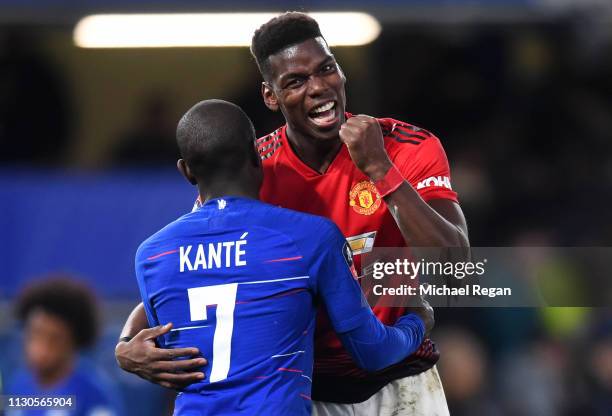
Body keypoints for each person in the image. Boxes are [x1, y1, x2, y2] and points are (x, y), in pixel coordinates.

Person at [116, 13, 469, 415]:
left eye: (326, 69)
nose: (319, 88)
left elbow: (453, 269)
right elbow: (197, 267)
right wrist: (126, 343)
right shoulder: (253, 170)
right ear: (271, 96)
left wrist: (381, 171)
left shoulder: (405, 147)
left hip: (400, 381)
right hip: (304, 389)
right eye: (296, 81)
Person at [134, 99, 428, 415]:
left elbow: (162, 349)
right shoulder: (309, 238)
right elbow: (372, 352)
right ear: (256, 155)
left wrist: (125, 343)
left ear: (186, 171)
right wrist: (416, 322)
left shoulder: (153, 255)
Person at [6, 277, 123, 416]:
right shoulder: (17, 386)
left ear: (74, 342)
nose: (41, 348)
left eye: (55, 339)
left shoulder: (92, 393)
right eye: (35, 334)